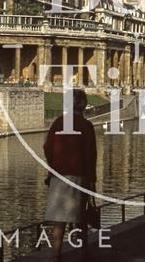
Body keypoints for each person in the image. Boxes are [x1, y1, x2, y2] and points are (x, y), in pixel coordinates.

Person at [43, 89, 97, 262]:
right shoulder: (86, 125)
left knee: (59, 220)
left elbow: (47, 147)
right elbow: (90, 154)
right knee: (80, 218)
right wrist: (92, 180)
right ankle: (82, 253)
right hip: (79, 176)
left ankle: (56, 254)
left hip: (58, 176)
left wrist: (53, 165)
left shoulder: (58, 122)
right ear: (82, 104)